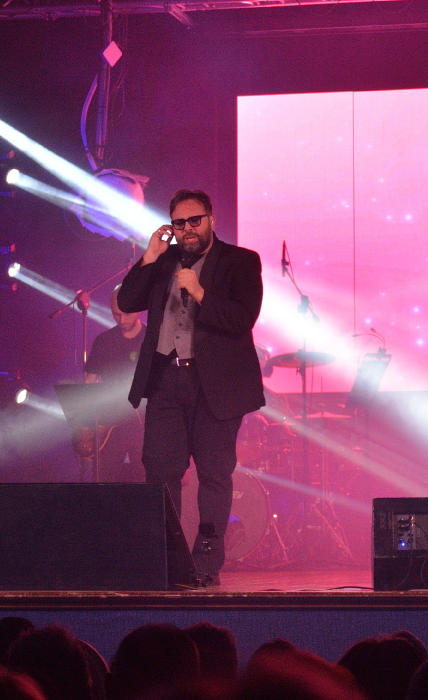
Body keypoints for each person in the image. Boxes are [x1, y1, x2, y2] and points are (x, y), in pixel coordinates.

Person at [117, 189, 265, 585]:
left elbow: (242, 319)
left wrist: (199, 291)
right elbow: (127, 301)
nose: (187, 229)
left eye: (194, 220)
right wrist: (149, 256)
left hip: (214, 384)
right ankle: (168, 559)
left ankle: (206, 563)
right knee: (159, 469)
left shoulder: (241, 261)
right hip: (166, 379)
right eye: (179, 223)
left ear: (211, 219)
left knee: (214, 474)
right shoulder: (163, 262)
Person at [80, 287, 147, 482]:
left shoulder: (152, 338)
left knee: (146, 481)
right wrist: (86, 429)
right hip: (110, 427)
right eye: (116, 314)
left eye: (127, 313)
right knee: (103, 480)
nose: (122, 319)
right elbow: (90, 382)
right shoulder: (104, 341)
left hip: (145, 425)